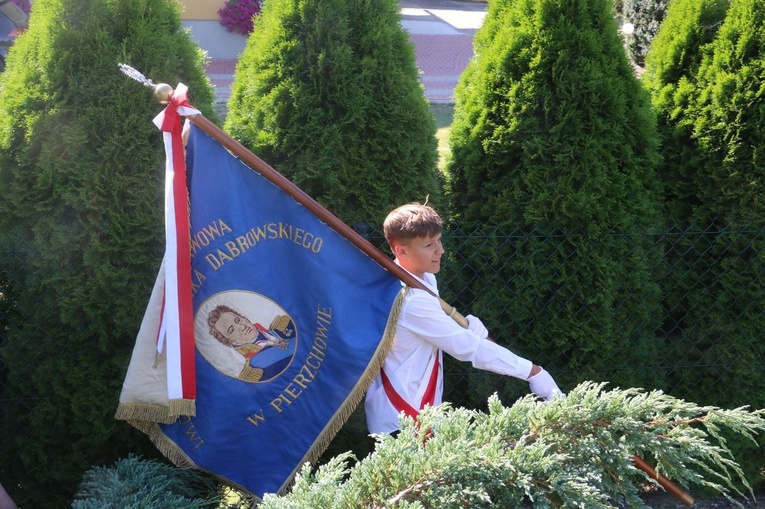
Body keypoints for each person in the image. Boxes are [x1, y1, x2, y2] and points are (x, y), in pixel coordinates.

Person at [365, 202, 562, 435]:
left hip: (418, 410)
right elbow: (467, 348)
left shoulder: (422, 279)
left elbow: (446, 330)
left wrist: (468, 327)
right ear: (401, 251)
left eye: (439, 240)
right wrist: (532, 372)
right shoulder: (410, 299)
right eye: (429, 245)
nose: (440, 250)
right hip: (403, 418)